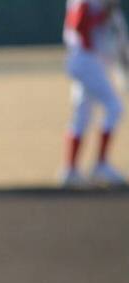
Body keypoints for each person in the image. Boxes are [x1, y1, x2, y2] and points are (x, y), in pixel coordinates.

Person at [61, 0, 126, 188]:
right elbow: (78, 25)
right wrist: (102, 16)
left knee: (82, 114)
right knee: (115, 107)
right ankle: (101, 164)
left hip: (89, 60)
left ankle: (70, 170)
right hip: (86, 59)